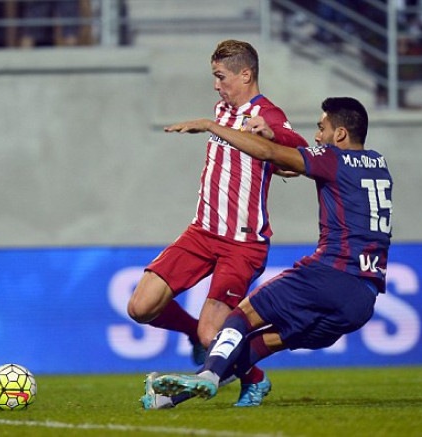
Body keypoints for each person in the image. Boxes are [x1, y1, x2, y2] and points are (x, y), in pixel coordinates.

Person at [149, 97, 392, 407]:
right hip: (363, 298)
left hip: (330, 274)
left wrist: (212, 126)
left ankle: (208, 377)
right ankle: (168, 400)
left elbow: (269, 154)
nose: (317, 136)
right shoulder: (380, 165)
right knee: (262, 343)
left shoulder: (333, 159)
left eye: (322, 128)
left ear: (340, 134)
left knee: (241, 316)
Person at [127, 39, 308, 409]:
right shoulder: (223, 109)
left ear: (246, 75)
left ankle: (254, 379)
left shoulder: (267, 115)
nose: (216, 84)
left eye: (220, 76)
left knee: (215, 335)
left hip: (242, 244)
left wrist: (276, 138)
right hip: (201, 232)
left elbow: (301, 151)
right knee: (140, 307)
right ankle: (191, 333)